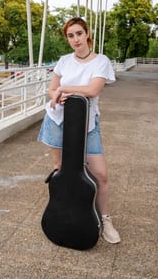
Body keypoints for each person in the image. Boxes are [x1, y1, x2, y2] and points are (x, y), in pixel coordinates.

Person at [38, 17, 121, 244]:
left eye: (78, 33)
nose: (75, 39)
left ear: (87, 34)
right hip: (58, 121)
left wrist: (64, 89)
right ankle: (66, 211)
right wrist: (57, 93)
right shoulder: (64, 61)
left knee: (100, 174)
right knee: (60, 170)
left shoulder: (101, 61)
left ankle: (105, 220)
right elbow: (51, 89)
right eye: (70, 35)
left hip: (87, 124)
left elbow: (93, 90)